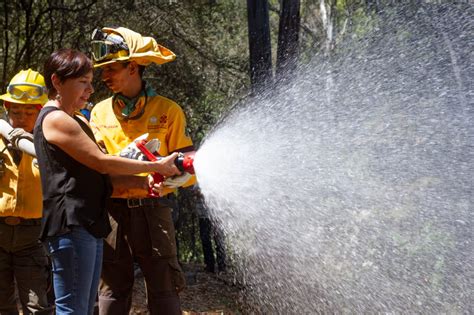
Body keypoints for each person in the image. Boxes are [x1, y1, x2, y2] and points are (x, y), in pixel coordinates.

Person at [33, 48, 181, 315]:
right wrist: (155, 165)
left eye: (91, 82)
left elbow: (96, 175)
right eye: (83, 82)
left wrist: (142, 184)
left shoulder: (72, 119)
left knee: (81, 306)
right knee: (73, 309)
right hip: (72, 224)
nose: (91, 89)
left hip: (86, 224)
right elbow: (102, 162)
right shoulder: (56, 119)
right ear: (56, 81)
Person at [89, 27, 196, 315]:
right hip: (112, 211)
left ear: (133, 67)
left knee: (164, 289)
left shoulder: (168, 110)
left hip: (154, 209)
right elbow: (96, 164)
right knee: (111, 290)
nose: (104, 77)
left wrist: (175, 180)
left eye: (111, 69)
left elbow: (188, 163)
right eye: (103, 71)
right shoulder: (98, 112)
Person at [0, 69, 54, 314]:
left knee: (37, 306)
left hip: (32, 237)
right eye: (15, 111)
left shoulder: (50, 144)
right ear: (6, 108)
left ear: (41, 111)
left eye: (29, 112)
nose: (21, 118)